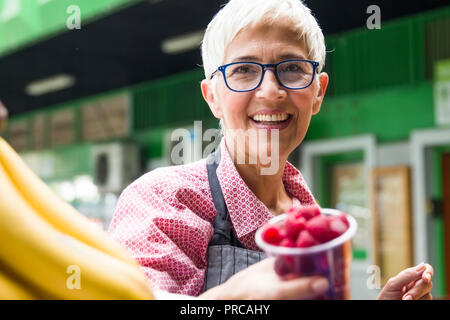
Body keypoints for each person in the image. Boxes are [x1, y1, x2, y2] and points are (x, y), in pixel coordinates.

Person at [108, 0, 434, 300]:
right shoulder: (167, 201)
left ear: (318, 92)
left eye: (292, 68)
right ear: (213, 97)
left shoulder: (310, 217)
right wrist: (232, 297)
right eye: (243, 70)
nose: (270, 91)